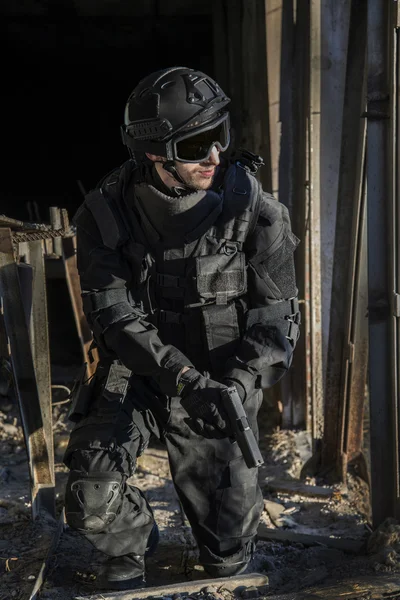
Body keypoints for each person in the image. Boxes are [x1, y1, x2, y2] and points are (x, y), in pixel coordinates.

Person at [63, 66, 300, 591]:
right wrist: (180, 376)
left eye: (221, 136)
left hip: (220, 387)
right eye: (197, 145)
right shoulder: (105, 214)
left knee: (227, 560)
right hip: (142, 375)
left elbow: (276, 320)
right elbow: (116, 318)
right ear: (154, 153)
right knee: (93, 497)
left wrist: (237, 385)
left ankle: (224, 541)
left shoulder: (257, 213)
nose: (215, 157)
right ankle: (130, 548)